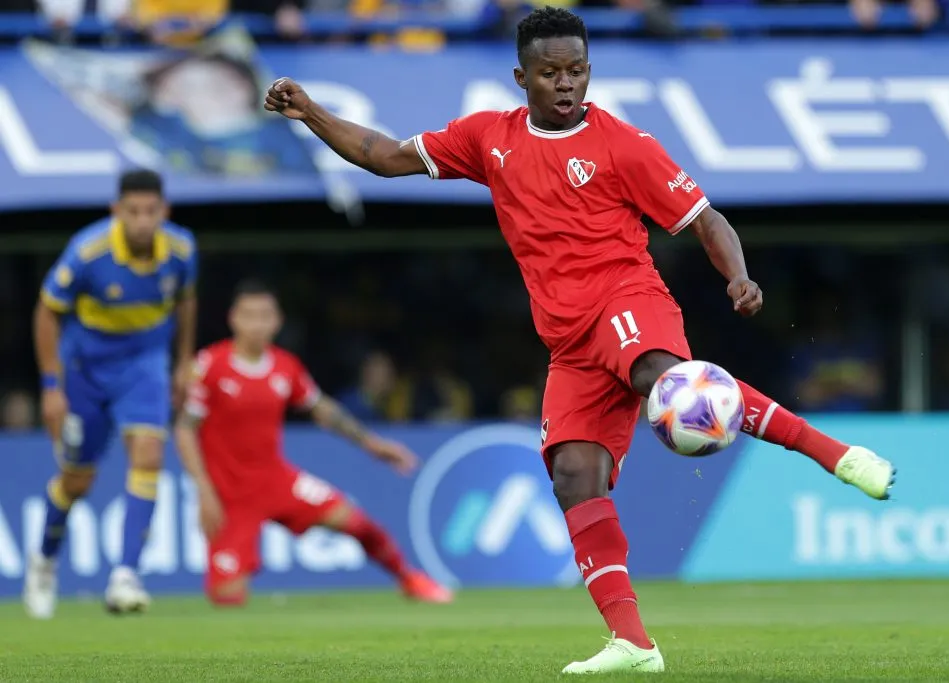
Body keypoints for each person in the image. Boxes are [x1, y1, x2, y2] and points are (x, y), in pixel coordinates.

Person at [264, 7, 895, 674]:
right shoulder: (487, 138)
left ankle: (837, 454)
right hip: (568, 344)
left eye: (577, 71)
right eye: (550, 72)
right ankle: (634, 643)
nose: (566, 84)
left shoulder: (623, 144)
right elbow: (384, 157)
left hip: (627, 298)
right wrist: (312, 113)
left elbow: (707, 219)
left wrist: (737, 276)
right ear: (521, 77)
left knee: (665, 376)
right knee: (573, 476)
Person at [174, 280, 452, 606]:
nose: (257, 325)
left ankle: (408, 579)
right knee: (227, 597)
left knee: (356, 523)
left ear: (277, 321)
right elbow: (184, 429)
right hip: (230, 496)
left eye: (265, 316)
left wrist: (372, 443)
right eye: (249, 316)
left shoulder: (285, 366)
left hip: (277, 481)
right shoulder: (209, 366)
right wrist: (204, 491)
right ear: (233, 318)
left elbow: (321, 408)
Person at [25, 169, 198, 619]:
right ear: (116, 212)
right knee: (77, 481)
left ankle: (126, 575)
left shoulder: (181, 250)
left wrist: (183, 361)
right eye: (133, 212)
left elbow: (186, 299)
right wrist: (50, 386)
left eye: (151, 212)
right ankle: (44, 560)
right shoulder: (88, 252)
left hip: (144, 366)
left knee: (148, 454)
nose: (143, 221)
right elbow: (46, 312)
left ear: (165, 212)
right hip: (85, 373)